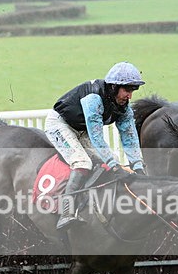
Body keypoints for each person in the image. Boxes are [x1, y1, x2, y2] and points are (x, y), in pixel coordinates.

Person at [45, 61, 147, 229]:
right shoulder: (93, 98)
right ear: (114, 87)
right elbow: (97, 137)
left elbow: (129, 137)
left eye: (132, 91)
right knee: (82, 162)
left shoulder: (124, 108)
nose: (130, 96)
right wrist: (114, 167)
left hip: (81, 130)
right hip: (60, 125)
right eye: (127, 90)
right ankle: (66, 213)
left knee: (112, 159)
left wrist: (138, 165)